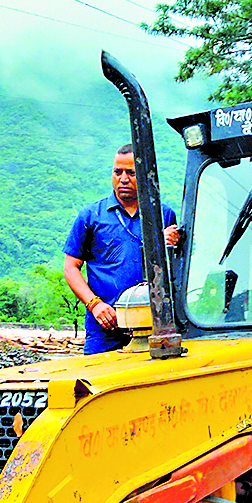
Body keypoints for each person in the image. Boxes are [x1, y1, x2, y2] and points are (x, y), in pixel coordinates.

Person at [63, 144, 179, 355]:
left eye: (131, 173)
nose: (123, 179)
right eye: (118, 172)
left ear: (144, 174)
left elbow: (174, 270)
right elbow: (71, 267)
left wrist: (164, 245)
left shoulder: (163, 214)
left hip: (153, 327)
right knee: (95, 384)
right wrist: (94, 304)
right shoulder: (91, 215)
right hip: (104, 329)